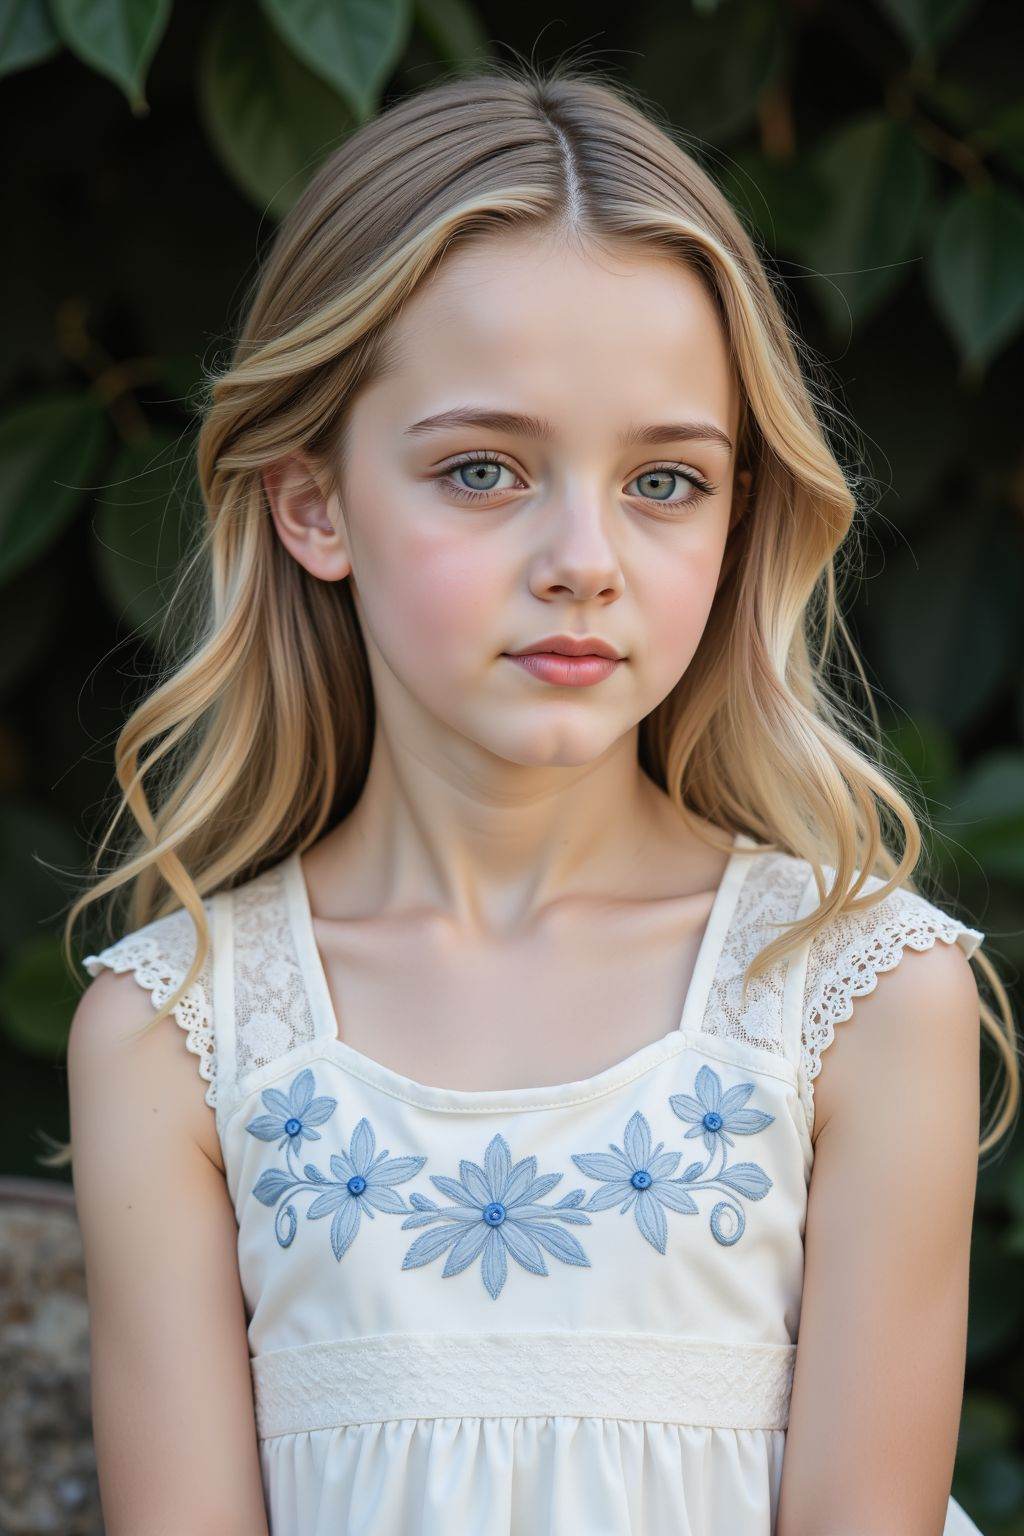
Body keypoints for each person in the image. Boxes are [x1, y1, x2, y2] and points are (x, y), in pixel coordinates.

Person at [60, 61, 1018, 1536]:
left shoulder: (857, 995)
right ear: (313, 503)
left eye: (665, 482)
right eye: (484, 469)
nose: (585, 560)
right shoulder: (181, 1034)